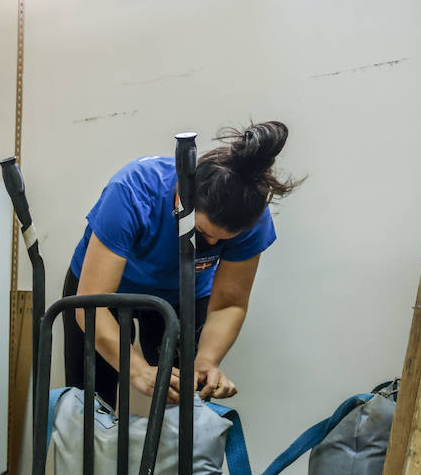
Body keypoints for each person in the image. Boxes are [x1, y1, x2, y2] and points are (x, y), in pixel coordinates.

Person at [64, 121, 301, 406]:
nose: (211, 246)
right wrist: (137, 371)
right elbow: (92, 305)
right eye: (202, 234)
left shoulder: (253, 219)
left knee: (184, 402)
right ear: (181, 200)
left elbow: (229, 303)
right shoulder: (132, 190)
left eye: (223, 240)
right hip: (102, 297)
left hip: (182, 296)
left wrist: (207, 360)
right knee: (89, 407)